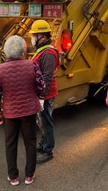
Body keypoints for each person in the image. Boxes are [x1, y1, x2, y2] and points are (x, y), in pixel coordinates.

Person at [0, 35, 45, 186]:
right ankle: (29, 175)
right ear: (23, 50)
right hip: (29, 110)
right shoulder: (32, 65)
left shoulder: (0, 69)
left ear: (7, 52)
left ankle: (13, 177)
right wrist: (35, 95)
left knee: (10, 143)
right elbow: (42, 87)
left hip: (10, 112)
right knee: (30, 142)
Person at [29, 20, 59, 164]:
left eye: (35, 35)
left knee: (46, 122)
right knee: (42, 121)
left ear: (43, 36)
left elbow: (47, 76)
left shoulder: (48, 53)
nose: (33, 37)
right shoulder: (43, 50)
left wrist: (41, 95)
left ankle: (48, 150)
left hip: (46, 94)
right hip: (42, 93)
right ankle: (43, 145)